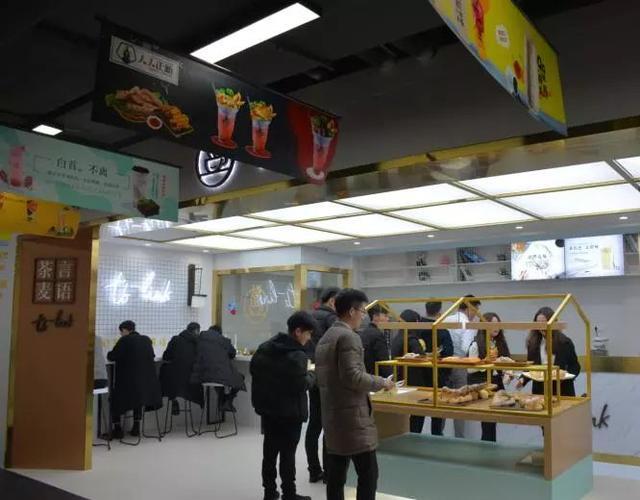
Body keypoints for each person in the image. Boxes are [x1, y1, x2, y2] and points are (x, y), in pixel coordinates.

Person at [316, 288, 394, 500]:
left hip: (333, 414)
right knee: (368, 474)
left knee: (336, 475)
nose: (363, 316)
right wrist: (382, 382)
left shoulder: (326, 337)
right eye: (362, 311)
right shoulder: (349, 337)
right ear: (351, 311)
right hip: (353, 418)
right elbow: (353, 376)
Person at [251, 311, 317, 500]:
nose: (309, 338)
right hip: (290, 413)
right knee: (288, 454)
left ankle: (269, 492)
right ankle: (289, 493)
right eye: (308, 333)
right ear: (298, 331)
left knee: (269, 453)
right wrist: (312, 375)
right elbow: (301, 384)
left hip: (269, 410)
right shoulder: (297, 356)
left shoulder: (265, 348)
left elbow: (254, 370)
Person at [306, 286, 340, 483]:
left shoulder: (310, 317)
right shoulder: (332, 319)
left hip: (312, 375)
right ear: (333, 301)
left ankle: (313, 470)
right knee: (329, 425)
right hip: (328, 377)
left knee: (314, 424)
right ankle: (329, 472)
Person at [107, 320, 162, 439]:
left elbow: (112, 356)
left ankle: (118, 429)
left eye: (121, 332)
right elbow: (152, 356)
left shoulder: (124, 340)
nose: (121, 334)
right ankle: (136, 427)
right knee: (138, 399)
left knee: (114, 398)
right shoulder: (146, 340)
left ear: (124, 330)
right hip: (147, 387)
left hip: (127, 386)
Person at [410, 301, 453, 436]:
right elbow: (449, 353)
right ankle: (437, 440)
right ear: (440, 313)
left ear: (426, 310)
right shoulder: (442, 331)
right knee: (437, 415)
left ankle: (413, 439)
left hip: (418, 377)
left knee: (417, 414)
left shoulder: (417, 329)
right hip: (437, 378)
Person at [517, 307, 581, 396]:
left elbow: (575, 366)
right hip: (540, 390)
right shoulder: (532, 343)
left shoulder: (565, 342)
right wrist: (522, 379)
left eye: (544, 323)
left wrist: (565, 377)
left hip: (562, 390)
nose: (541, 327)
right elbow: (530, 367)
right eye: (538, 323)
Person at [467, 312, 510, 441]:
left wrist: (508, 373)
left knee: (493, 420)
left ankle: (490, 444)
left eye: (497, 324)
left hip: (497, 384)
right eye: (492, 324)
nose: (496, 327)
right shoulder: (476, 344)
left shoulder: (499, 343)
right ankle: (487, 445)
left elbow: (506, 362)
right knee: (487, 421)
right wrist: (485, 362)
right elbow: (470, 369)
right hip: (483, 385)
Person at [444, 294, 481, 438]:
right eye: (476, 310)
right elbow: (466, 348)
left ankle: (438, 434)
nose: (475, 314)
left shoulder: (446, 318)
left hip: (443, 364)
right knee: (460, 403)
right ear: (470, 308)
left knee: (443, 399)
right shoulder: (467, 324)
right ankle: (459, 437)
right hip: (459, 364)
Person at [192, 325, 245, 412]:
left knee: (217, 377)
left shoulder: (200, 339)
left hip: (203, 376)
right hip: (217, 376)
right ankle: (228, 400)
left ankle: (222, 400)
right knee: (240, 377)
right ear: (219, 333)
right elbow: (232, 353)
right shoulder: (223, 341)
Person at [160, 322, 200, 416]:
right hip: (190, 379)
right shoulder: (197, 342)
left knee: (165, 373)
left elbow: (166, 356)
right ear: (196, 331)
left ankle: (173, 398)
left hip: (174, 379)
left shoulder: (175, 339)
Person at [358, 304, 391, 376]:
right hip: (376, 377)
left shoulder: (364, 332)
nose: (388, 319)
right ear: (375, 316)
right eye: (385, 316)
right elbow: (384, 363)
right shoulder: (378, 335)